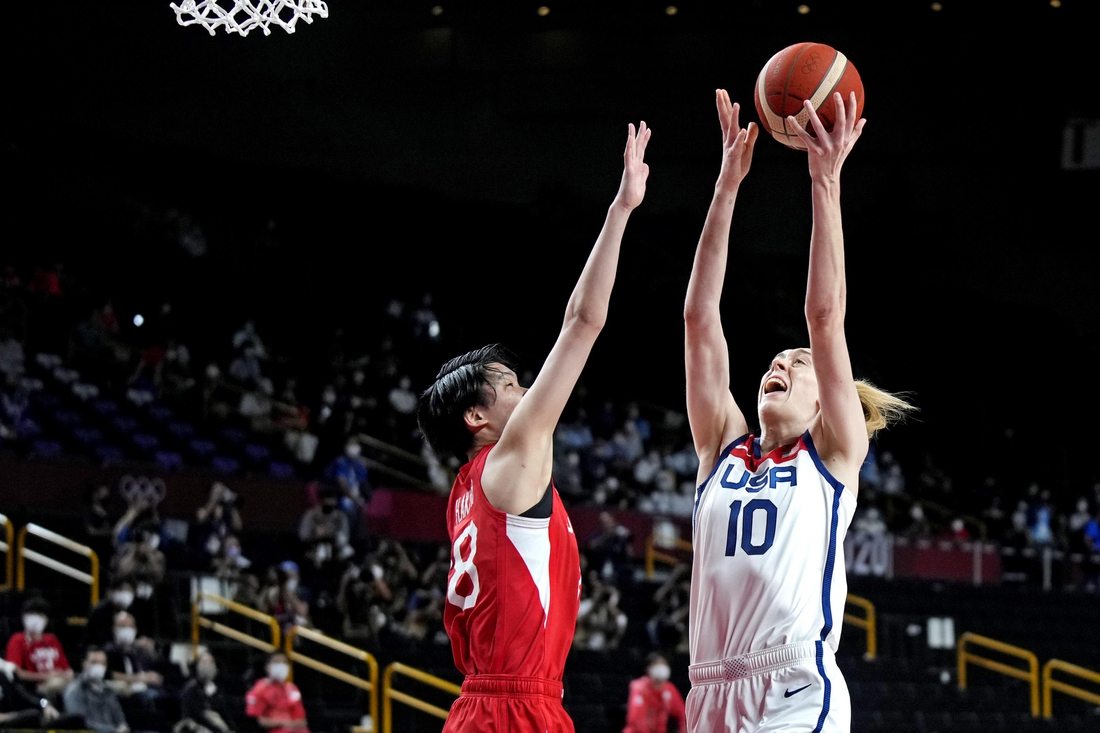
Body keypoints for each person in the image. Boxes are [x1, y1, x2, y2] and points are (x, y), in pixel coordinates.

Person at [681, 91, 914, 733]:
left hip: (792, 688)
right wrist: (727, 186)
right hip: (708, 692)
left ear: (825, 398)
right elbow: (700, 320)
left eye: (798, 362)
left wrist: (824, 182)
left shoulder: (833, 455)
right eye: (775, 361)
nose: (779, 365)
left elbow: (825, 317)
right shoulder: (721, 450)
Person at [416, 121, 652, 732]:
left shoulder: (464, 494)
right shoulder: (512, 455)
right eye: (509, 384)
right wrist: (622, 209)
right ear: (477, 417)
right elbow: (582, 322)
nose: (526, 390)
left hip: (481, 706)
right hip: (516, 707)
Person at [5, 597, 73, 700]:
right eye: (31, 615)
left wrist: (65, 675)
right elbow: (17, 673)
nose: (35, 620)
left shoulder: (52, 640)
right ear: (23, 618)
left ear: (46, 619)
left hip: (59, 682)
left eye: (39, 615)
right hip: (35, 688)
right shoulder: (18, 640)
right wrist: (46, 676)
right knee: (57, 685)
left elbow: (67, 670)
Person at [62, 648, 129, 733]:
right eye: (94, 662)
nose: (99, 667)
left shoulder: (108, 691)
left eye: (102, 663)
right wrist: (112, 730)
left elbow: (120, 720)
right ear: (85, 663)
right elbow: (79, 723)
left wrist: (123, 727)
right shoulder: (74, 690)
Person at [245, 653, 309, 733]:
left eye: (284, 663)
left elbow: (301, 720)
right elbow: (257, 721)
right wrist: (283, 723)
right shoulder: (259, 689)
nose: (281, 666)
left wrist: (291, 725)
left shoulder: (293, 689)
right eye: (277, 662)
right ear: (267, 667)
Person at [623, 653, 687, 733]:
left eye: (664, 664)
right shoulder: (639, 688)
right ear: (649, 669)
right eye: (657, 664)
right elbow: (635, 719)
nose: (661, 668)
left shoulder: (669, 689)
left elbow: (682, 713)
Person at [177, 653, 236, 733]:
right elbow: (195, 716)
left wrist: (231, 728)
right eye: (204, 662)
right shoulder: (191, 688)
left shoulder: (217, 689)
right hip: (194, 725)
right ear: (198, 666)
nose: (207, 666)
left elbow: (224, 711)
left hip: (216, 725)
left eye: (210, 662)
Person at [87, 580, 136, 648]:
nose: (125, 593)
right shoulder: (100, 612)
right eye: (121, 589)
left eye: (128, 590)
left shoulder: (135, 609)